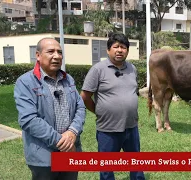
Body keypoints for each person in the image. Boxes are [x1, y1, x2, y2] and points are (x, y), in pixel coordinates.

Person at [14, 38, 86, 180]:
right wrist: (62, 142)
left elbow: (80, 107)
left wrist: (72, 132)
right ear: (38, 55)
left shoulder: (68, 79)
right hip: (44, 156)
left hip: (71, 150)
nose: (57, 56)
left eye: (59, 52)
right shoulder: (25, 82)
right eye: (51, 51)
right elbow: (28, 120)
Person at [80, 33, 145, 180]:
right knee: (107, 168)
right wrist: (98, 111)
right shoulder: (98, 69)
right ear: (108, 50)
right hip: (108, 129)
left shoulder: (132, 69)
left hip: (131, 126)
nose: (119, 50)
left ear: (127, 50)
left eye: (123, 47)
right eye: (115, 47)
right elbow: (85, 96)